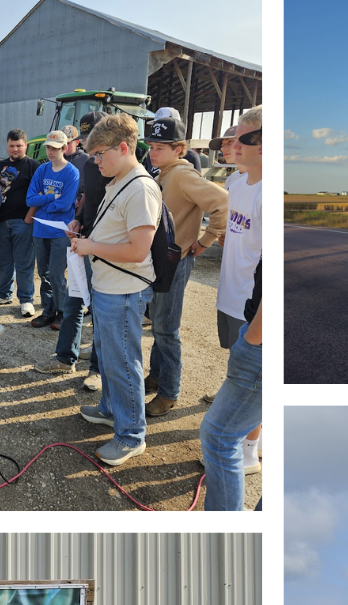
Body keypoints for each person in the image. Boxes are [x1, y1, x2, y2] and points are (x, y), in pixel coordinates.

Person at [68, 112, 161, 467]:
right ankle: (111, 409)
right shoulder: (119, 180)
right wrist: (87, 240)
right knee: (109, 355)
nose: (95, 162)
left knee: (123, 362)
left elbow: (139, 250)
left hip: (124, 290)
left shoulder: (139, 187)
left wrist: (91, 248)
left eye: (100, 155)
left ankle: (131, 435)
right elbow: (116, 233)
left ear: (123, 148)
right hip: (110, 286)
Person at [200, 109, 264, 510]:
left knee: (250, 382)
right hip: (232, 294)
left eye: (241, 138)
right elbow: (240, 232)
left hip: (254, 311)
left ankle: (250, 448)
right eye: (231, 138)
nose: (232, 145)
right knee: (235, 372)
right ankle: (242, 431)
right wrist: (227, 241)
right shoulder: (238, 182)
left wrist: (255, 337)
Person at [143, 114, 226, 418]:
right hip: (162, 259)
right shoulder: (163, 172)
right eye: (151, 145)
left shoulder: (181, 175)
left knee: (166, 328)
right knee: (159, 325)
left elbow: (222, 203)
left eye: (161, 147)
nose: (153, 151)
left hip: (175, 261)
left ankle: (169, 392)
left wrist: (206, 240)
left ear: (179, 149)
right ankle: (157, 376)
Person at [24, 130, 80, 342]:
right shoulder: (42, 170)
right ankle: (47, 311)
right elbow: (30, 200)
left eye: (55, 148)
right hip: (40, 229)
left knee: (57, 273)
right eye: (48, 147)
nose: (50, 152)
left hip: (59, 230)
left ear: (65, 148)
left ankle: (62, 312)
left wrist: (44, 200)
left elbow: (66, 204)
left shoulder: (71, 172)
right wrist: (53, 196)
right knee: (43, 272)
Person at [0, 131, 38, 314]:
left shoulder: (33, 166)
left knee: (24, 262)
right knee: (4, 262)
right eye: (12, 145)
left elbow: (38, 195)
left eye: (19, 145)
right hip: (0, 222)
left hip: (22, 222)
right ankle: (4, 294)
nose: (15, 149)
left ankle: (26, 299)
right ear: (7, 146)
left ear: (26, 145)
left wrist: (29, 218)